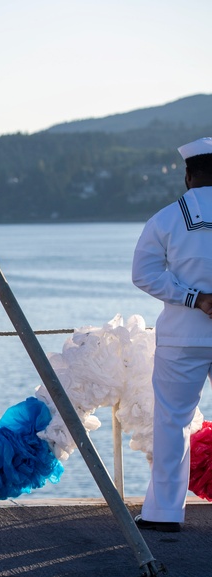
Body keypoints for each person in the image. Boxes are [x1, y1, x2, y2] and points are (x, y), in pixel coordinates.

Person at [131, 136, 212, 533]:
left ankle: (164, 513)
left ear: (188, 174)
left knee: (172, 423)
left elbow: (143, 274)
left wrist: (194, 297)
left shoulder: (166, 219)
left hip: (183, 337)